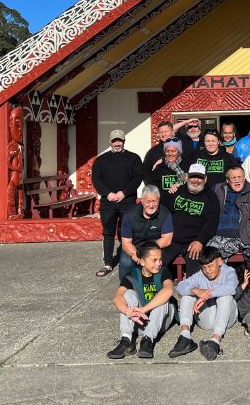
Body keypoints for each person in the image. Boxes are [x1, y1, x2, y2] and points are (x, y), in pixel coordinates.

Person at [169, 246, 239, 361]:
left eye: (210, 266)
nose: (207, 271)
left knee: (225, 296)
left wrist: (207, 295)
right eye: (204, 267)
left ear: (219, 261)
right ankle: (185, 335)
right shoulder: (201, 275)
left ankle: (215, 340)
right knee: (187, 294)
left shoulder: (229, 271)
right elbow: (180, 286)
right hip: (208, 320)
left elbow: (231, 287)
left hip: (227, 319)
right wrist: (195, 290)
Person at [108, 242, 176, 359]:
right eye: (154, 260)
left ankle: (147, 340)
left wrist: (143, 309)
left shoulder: (164, 272)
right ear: (142, 261)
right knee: (128, 294)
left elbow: (168, 291)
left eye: (160, 260)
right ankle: (126, 339)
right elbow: (117, 298)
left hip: (159, 323)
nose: (159, 263)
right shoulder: (132, 275)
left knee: (162, 300)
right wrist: (128, 311)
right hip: (138, 322)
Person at [92, 129, 143, 277]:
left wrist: (124, 193)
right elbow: (96, 179)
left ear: (124, 141)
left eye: (119, 140)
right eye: (114, 141)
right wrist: (108, 194)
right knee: (108, 233)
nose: (117, 143)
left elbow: (137, 178)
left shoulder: (133, 158)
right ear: (110, 142)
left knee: (130, 231)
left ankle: (133, 259)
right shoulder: (101, 160)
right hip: (108, 202)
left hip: (127, 201)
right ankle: (108, 263)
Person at [162, 163, 221, 277]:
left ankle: (190, 293)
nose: (196, 180)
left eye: (199, 177)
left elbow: (211, 223)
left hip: (193, 242)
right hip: (172, 240)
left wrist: (200, 240)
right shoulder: (177, 191)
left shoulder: (211, 197)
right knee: (156, 262)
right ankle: (161, 290)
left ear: (205, 179)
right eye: (193, 176)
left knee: (195, 269)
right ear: (187, 177)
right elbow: (163, 211)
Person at [208, 165, 250, 267]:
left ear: (244, 178)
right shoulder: (217, 189)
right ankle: (218, 282)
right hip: (223, 236)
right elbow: (200, 192)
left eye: (240, 177)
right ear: (228, 180)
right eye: (234, 178)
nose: (237, 180)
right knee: (208, 257)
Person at [118, 185, 174, 280]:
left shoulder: (165, 213)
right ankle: (125, 287)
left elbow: (167, 239)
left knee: (159, 260)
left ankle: (157, 285)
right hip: (135, 247)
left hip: (155, 247)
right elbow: (126, 243)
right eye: (148, 202)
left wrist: (148, 251)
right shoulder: (129, 215)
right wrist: (136, 254)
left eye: (154, 202)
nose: (151, 205)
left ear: (159, 200)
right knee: (126, 262)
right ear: (142, 201)